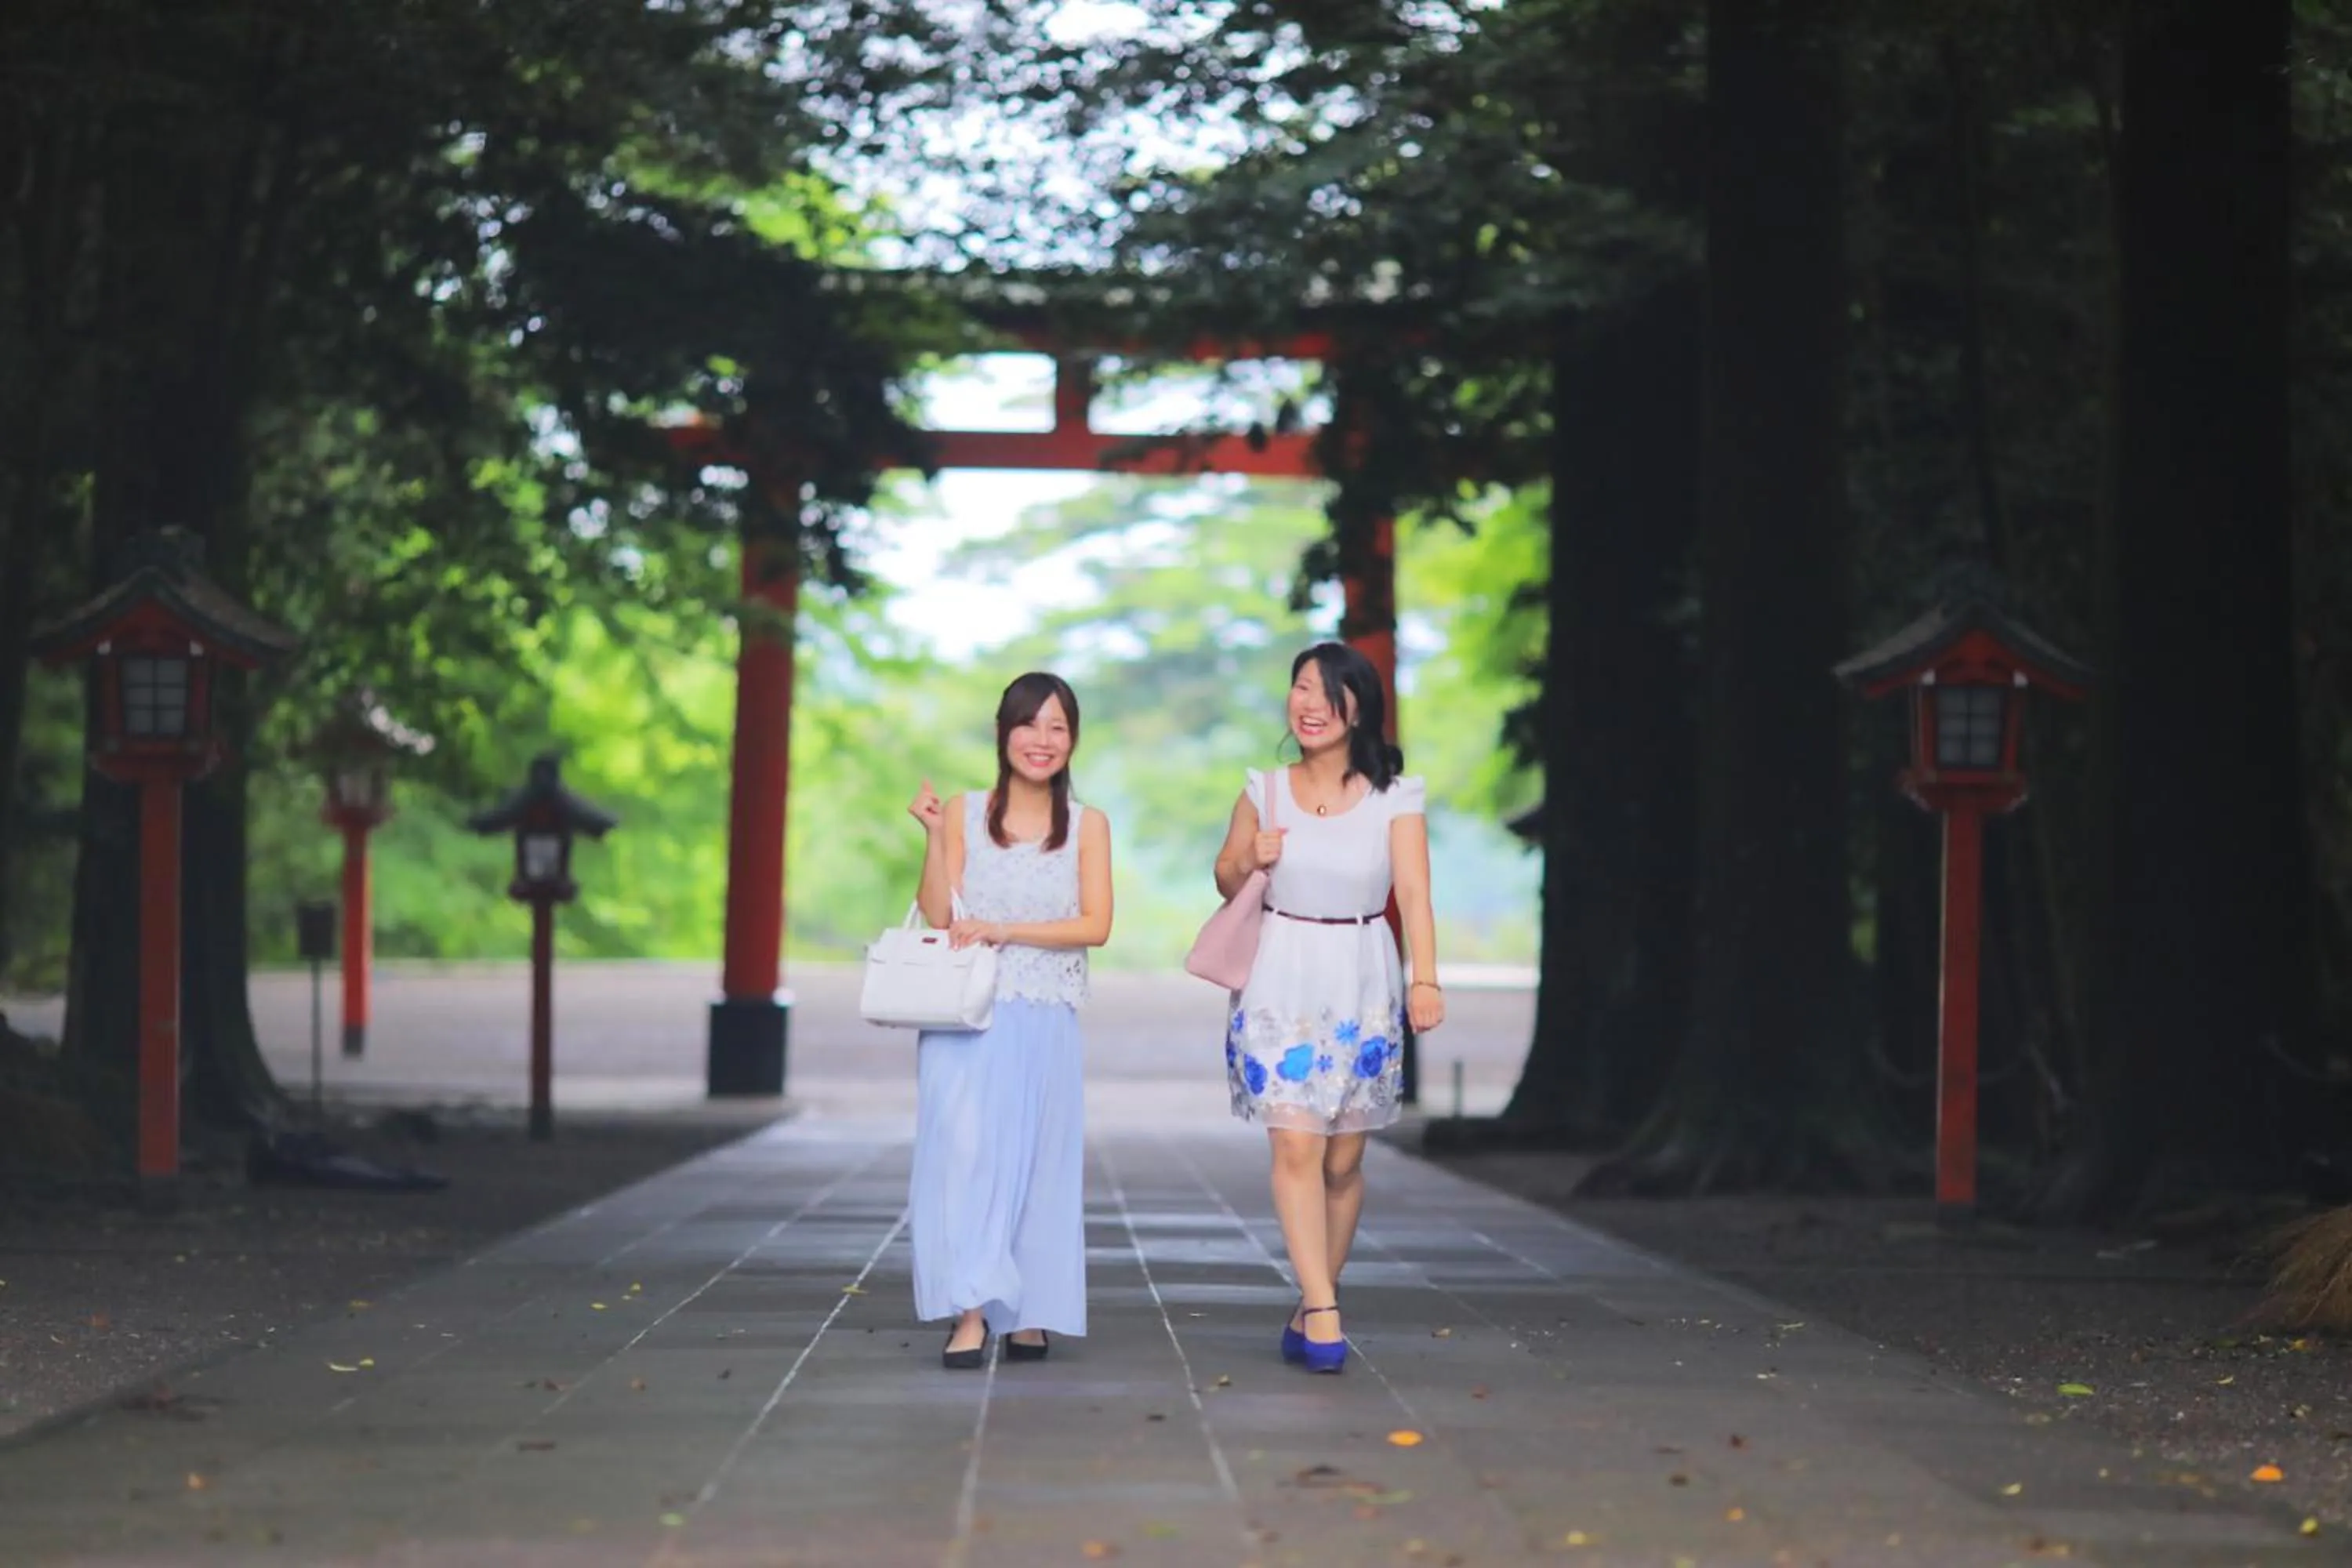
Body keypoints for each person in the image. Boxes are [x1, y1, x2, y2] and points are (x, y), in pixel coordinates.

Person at [1211, 643, 1443, 1374]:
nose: (1310, 705)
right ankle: (1323, 1311)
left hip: (1362, 976)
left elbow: (1413, 893)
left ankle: (1315, 1293)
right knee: (1297, 1147)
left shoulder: (1393, 795)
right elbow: (1224, 877)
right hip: (1281, 973)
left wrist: (1425, 980)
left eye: (1329, 694)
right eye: (1301, 688)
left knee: (1343, 1162)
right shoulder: (1264, 790)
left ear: (1358, 709)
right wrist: (1253, 856)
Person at [906, 672, 1112, 1370]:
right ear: (1004, 733)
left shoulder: (1088, 826)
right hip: (968, 1016)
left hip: (1045, 1012)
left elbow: (1097, 924)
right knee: (967, 1156)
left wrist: (1005, 928)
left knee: (1037, 1160)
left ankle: (1028, 1309)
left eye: (1058, 727)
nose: (1042, 741)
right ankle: (970, 1311)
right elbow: (939, 913)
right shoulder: (965, 811)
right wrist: (936, 837)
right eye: (1030, 725)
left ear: (1073, 740)